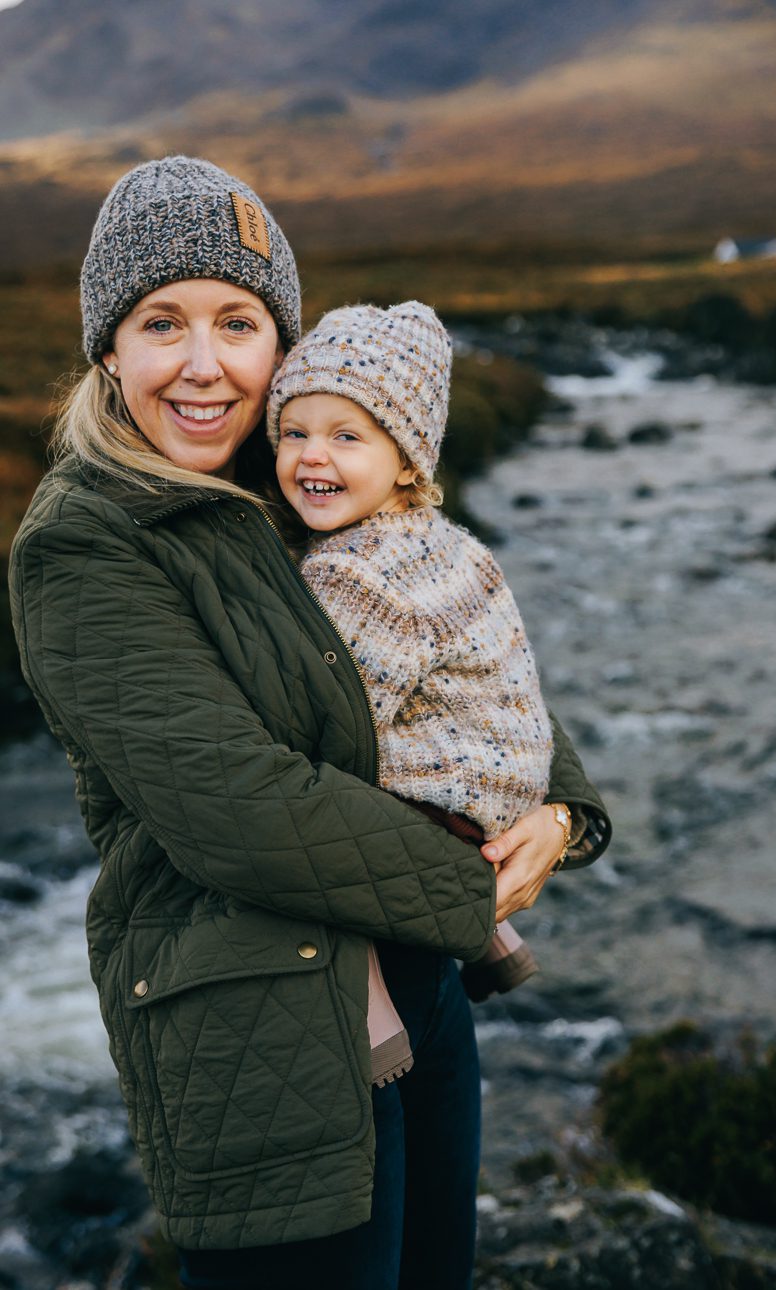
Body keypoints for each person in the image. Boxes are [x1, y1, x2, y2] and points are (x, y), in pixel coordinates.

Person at [9, 155, 611, 1290]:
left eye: (238, 322)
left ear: (280, 342)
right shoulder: (84, 546)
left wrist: (559, 808)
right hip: (259, 1036)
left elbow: (461, 633)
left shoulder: (307, 472)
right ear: (107, 347)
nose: (202, 364)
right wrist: (473, 888)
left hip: (416, 991)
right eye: (159, 323)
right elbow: (241, 811)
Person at [267, 301, 603, 1080]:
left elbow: (334, 728)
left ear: (410, 460)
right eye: (294, 432)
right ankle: (493, 940)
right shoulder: (445, 542)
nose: (312, 457)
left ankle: (368, 993)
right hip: (507, 786)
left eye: (346, 436)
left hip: (447, 806)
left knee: (310, 801)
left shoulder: (353, 575)